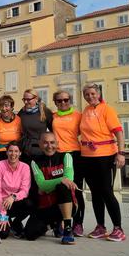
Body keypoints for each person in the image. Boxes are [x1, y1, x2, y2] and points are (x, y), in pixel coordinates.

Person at [80, 83, 126, 242]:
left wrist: (121, 153)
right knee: (95, 193)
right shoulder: (85, 111)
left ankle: (118, 228)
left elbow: (118, 132)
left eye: (93, 93)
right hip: (87, 157)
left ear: (98, 94)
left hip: (106, 156)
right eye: (87, 94)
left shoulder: (107, 109)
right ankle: (101, 226)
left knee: (107, 192)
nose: (90, 97)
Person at [25, 132, 78, 245]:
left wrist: (50, 185)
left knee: (63, 187)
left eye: (52, 142)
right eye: (45, 143)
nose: (49, 146)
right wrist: (59, 179)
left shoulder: (66, 156)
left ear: (57, 143)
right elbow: (41, 184)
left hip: (66, 205)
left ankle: (67, 229)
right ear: (40, 144)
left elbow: (68, 180)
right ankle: (55, 224)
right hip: (46, 207)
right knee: (30, 234)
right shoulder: (35, 162)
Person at [52, 90, 86, 237]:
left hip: (74, 154)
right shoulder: (52, 117)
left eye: (66, 100)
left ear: (70, 100)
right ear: (55, 103)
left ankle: (78, 223)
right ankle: (60, 222)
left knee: (76, 189)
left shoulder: (78, 116)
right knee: (60, 188)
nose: (63, 103)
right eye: (59, 101)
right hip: (58, 154)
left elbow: (88, 131)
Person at [0, 142, 31, 239]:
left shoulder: (25, 167)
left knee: (29, 204)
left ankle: (15, 223)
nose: (13, 154)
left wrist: (13, 196)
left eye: (16, 151)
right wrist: (2, 213)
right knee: (3, 234)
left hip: (11, 202)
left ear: (20, 153)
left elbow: (25, 190)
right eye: (10, 151)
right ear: (6, 153)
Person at [18, 89, 53, 161]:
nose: (25, 102)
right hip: (26, 151)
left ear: (36, 99)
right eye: (24, 99)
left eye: (28, 99)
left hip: (41, 151)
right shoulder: (22, 112)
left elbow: (53, 130)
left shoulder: (45, 111)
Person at [0, 95, 22, 161]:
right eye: (1, 106)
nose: (4, 108)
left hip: (15, 152)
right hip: (1, 152)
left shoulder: (19, 120)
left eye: (6, 106)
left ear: (12, 107)